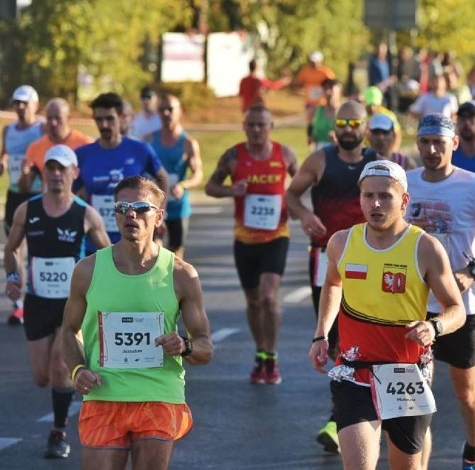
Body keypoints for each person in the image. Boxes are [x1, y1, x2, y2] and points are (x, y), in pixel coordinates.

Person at [307, 160, 465, 470]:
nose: (375, 204)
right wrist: (321, 334)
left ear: (404, 201)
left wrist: (434, 327)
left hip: (405, 372)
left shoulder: (425, 248)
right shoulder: (342, 242)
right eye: (368, 195)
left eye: (385, 196)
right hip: (354, 369)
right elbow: (332, 285)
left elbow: (456, 310)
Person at [61, 176, 212, 470]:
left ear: (159, 217)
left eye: (141, 207)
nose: (131, 214)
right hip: (104, 393)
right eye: (123, 207)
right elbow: (68, 331)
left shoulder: (181, 274)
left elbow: (205, 347)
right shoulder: (87, 270)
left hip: (158, 395)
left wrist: (184, 345)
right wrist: (77, 369)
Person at [406, 114, 475, 470]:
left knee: (465, 391)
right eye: (425, 142)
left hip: (463, 307)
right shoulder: (404, 184)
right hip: (414, 305)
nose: (432, 149)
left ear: (454, 144)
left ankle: (473, 448)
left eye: (439, 142)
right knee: (416, 397)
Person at [4, 145, 110, 459]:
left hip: (71, 304)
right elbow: (11, 249)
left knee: (61, 364)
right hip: (37, 301)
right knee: (42, 376)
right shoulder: (28, 209)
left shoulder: (85, 214)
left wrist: (99, 289)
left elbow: (107, 257)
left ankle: (58, 431)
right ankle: (69, 389)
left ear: (74, 173)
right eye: (50, 168)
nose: (55, 174)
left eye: (62, 168)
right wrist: (13, 277)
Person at [285, 100, 378, 451]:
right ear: (334, 127)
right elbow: (291, 194)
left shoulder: (377, 162)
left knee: (367, 331)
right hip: (327, 257)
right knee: (336, 338)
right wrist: (305, 216)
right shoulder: (320, 160)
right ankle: (342, 414)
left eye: (355, 122)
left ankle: (350, 413)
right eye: (343, 121)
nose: (348, 128)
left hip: (371, 259)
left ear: (364, 126)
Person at [205, 104, 297, 384]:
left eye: (262, 125)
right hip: (244, 239)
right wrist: (231, 190)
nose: (256, 130)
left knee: (269, 296)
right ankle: (260, 353)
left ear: (271, 127)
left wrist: (294, 203)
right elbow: (211, 187)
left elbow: (303, 182)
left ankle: (272, 354)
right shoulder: (233, 157)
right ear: (244, 126)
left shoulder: (285, 154)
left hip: (276, 236)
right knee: (254, 301)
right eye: (251, 125)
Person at [75, 93, 169, 249]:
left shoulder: (139, 150)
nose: (104, 125)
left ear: (122, 117)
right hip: (95, 241)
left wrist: (161, 214)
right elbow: (71, 194)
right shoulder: (83, 155)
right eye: (99, 119)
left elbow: (163, 178)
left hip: (135, 239)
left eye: (110, 118)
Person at [2, 84, 44, 324]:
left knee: (37, 247)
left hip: (36, 195)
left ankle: (37, 295)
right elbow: (4, 155)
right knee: (14, 246)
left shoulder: (41, 129)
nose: (19, 107)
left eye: (24, 103)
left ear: (34, 105)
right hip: (14, 195)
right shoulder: (8, 130)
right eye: (16, 102)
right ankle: (18, 304)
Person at [149, 94, 203, 259]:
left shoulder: (188, 143)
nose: (166, 113)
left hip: (178, 208)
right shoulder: (150, 140)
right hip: (154, 206)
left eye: (170, 109)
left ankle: (173, 285)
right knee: (153, 252)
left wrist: (183, 185)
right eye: (162, 109)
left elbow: (198, 174)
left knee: (176, 256)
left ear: (180, 112)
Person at [19, 98, 94, 195]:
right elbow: (24, 189)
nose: (53, 123)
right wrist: (24, 174)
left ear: (68, 118)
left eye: (58, 118)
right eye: (49, 118)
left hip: (80, 205)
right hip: (50, 206)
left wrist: (76, 199)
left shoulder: (86, 143)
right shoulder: (35, 148)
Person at [295, 51, 336, 123]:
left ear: (320, 61)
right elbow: (299, 83)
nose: (313, 64)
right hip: (310, 101)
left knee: (321, 121)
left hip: (323, 102)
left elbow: (333, 84)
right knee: (310, 121)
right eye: (312, 61)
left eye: (315, 62)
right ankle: (310, 133)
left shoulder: (326, 72)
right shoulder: (305, 71)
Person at [309, 79, 344, 150]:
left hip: (339, 153)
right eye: (325, 88)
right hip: (319, 153)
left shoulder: (345, 112)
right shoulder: (316, 110)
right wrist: (311, 139)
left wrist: (337, 142)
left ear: (340, 91)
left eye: (331, 88)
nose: (328, 92)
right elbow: (310, 129)